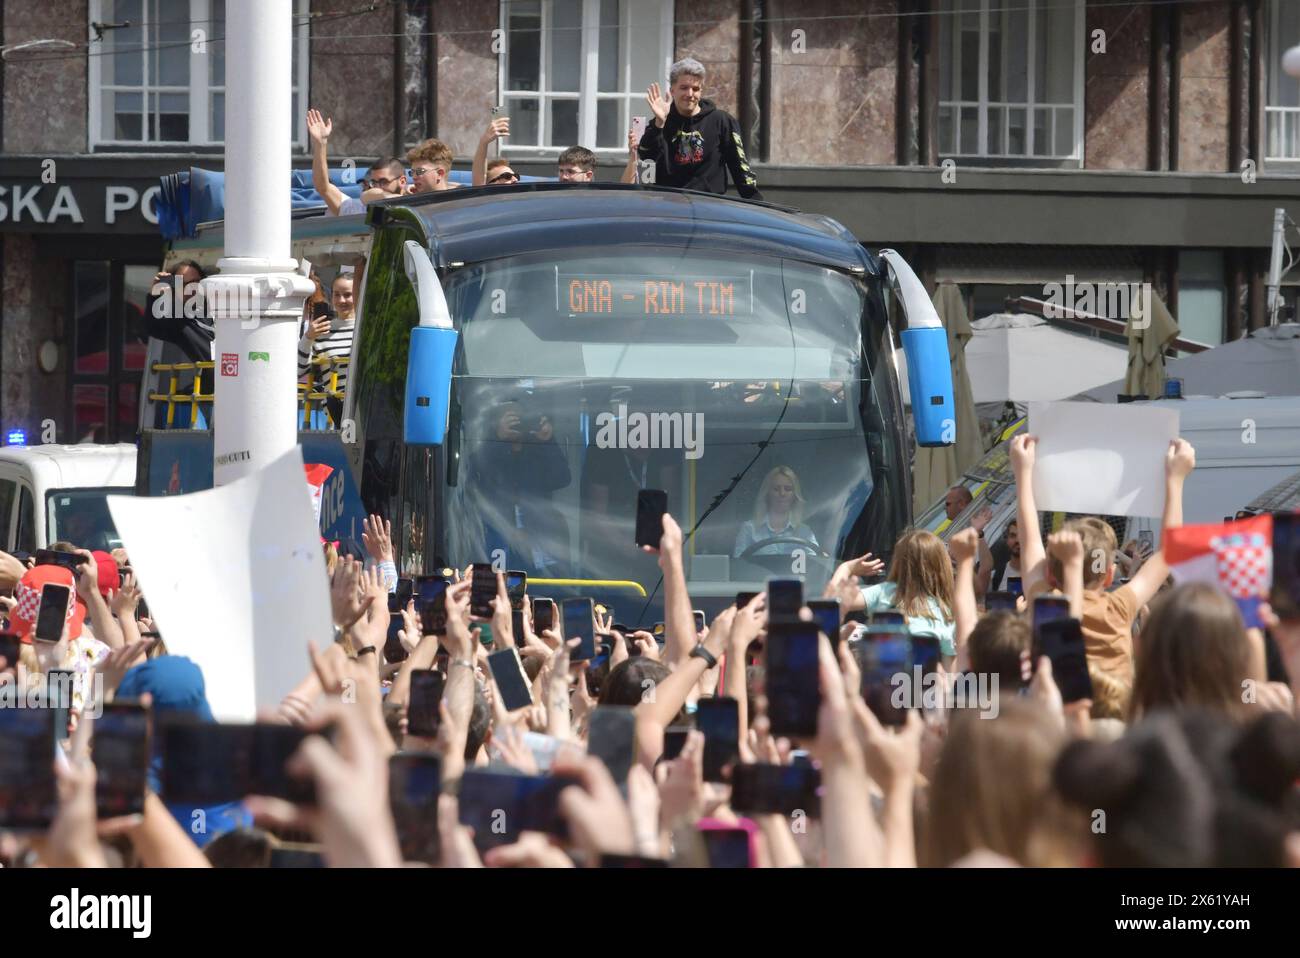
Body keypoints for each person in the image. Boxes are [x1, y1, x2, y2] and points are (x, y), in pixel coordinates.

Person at [1012, 433, 1195, 683]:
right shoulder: (1119, 607)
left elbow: (1030, 543)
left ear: (1050, 573)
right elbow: (1168, 552)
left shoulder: (1044, 603)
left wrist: (1022, 474)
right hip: (1115, 718)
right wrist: (1176, 480)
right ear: (1109, 574)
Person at [636, 58, 762, 199]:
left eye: (695, 89)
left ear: (701, 91)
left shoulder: (721, 121)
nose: (690, 94)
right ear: (672, 91)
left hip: (708, 208)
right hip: (669, 207)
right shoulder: (661, 122)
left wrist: (756, 202)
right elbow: (646, 158)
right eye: (684, 88)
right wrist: (659, 123)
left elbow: (740, 168)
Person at [836, 528, 956, 661]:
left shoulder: (886, 591)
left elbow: (834, 601)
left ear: (899, 562)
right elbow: (950, 669)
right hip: (920, 679)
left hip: (880, 675)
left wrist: (846, 568)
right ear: (943, 566)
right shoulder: (946, 612)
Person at [306, 108, 408, 215]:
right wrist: (320, 143)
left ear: (402, 181)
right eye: (373, 182)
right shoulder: (359, 208)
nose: (377, 187)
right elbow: (323, 187)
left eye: (383, 182)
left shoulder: (416, 206)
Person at [298, 272, 356, 425]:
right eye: (337, 295)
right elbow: (298, 370)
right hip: (335, 416)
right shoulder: (321, 332)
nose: (341, 300)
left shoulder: (367, 328)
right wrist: (308, 337)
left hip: (366, 411)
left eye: (348, 294)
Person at [732, 465, 819, 559]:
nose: (782, 493)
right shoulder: (749, 530)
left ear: (795, 495)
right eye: (776, 489)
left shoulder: (805, 532)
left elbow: (816, 564)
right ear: (767, 493)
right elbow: (738, 565)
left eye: (788, 489)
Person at [472, 115, 514, 187]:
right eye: (507, 176)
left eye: (515, 176)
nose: (515, 179)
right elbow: (479, 183)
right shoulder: (485, 196)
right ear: (492, 184)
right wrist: (483, 142)